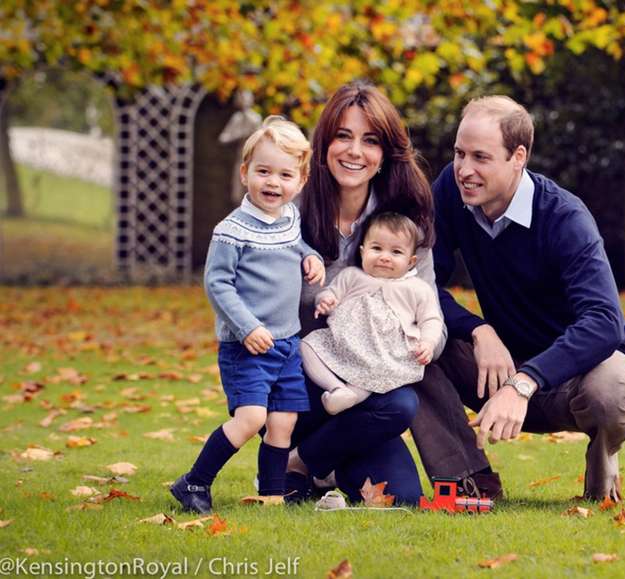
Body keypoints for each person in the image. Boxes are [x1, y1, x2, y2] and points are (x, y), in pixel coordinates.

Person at [411, 96, 625, 502]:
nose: (465, 170)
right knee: (410, 336)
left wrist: (524, 382)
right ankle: (469, 480)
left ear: (518, 156)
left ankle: (601, 474)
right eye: (459, 153)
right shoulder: (451, 188)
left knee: (616, 386)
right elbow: (418, 283)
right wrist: (478, 329)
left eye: (481, 157)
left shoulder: (565, 218)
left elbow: (604, 322)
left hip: (572, 380)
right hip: (496, 367)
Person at [275, 81, 444, 506]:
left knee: (401, 492)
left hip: (370, 390)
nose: (354, 152)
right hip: (301, 382)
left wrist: (419, 342)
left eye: (370, 140)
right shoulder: (287, 215)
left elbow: (430, 313)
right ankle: (306, 457)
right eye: (343, 136)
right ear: (324, 142)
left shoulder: (405, 226)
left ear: (386, 153)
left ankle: (303, 462)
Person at [170, 116, 325, 514]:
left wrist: (311, 256)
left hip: (287, 343)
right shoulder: (231, 230)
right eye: (263, 171)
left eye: (285, 174)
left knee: (283, 423)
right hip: (247, 346)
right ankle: (193, 483)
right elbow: (217, 284)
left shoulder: (289, 218)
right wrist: (247, 326)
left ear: (301, 180)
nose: (273, 182)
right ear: (245, 173)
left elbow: (296, 245)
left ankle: (272, 495)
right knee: (252, 417)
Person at [301, 212, 443, 415]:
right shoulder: (352, 276)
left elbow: (431, 319)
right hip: (343, 344)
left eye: (396, 252)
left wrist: (428, 342)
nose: (384, 257)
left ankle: (350, 395)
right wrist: (325, 301)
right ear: (362, 251)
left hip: (385, 352)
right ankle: (337, 389)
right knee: (306, 346)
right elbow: (331, 293)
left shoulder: (417, 289)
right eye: (376, 248)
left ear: (411, 262)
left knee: (375, 372)